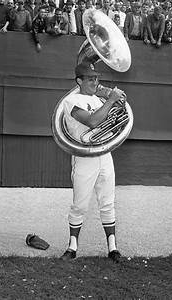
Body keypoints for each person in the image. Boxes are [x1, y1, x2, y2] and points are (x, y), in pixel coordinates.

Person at [60, 62, 126, 263]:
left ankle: (113, 248)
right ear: (79, 81)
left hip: (104, 155)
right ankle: (72, 247)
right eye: (90, 79)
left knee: (107, 203)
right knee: (79, 205)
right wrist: (109, 101)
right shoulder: (70, 101)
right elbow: (92, 122)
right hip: (84, 157)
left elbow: (119, 110)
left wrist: (114, 98)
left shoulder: (98, 99)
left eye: (96, 78)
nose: (95, 82)